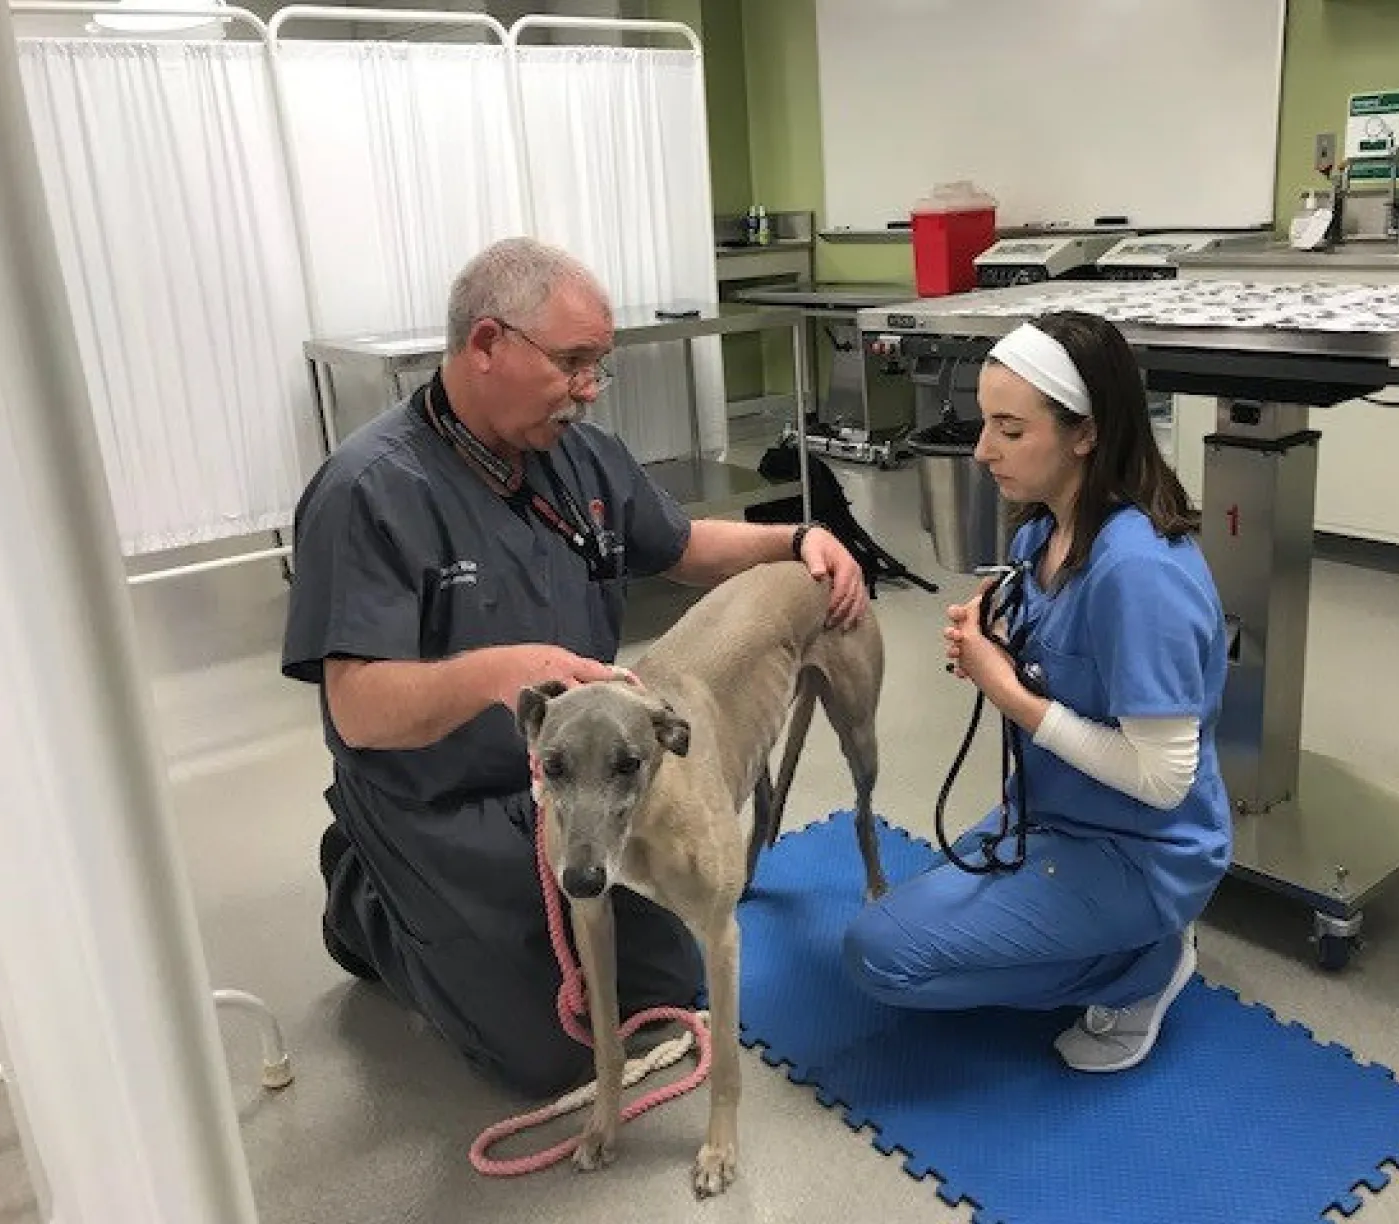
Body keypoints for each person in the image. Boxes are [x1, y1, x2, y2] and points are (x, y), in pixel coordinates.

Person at [282, 237, 867, 1098]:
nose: (589, 389)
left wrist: (796, 538)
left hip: (573, 778)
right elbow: (358, 710)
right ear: (487, 344)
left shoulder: (577, 455)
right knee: (543, 1055)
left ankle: (452, 915)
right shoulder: (368, 490)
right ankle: (364, 896)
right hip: (438, 798)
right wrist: (497, 673)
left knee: (669, 983)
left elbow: (682, 546)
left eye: (600, 367)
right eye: (573, 363)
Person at [842, 310, 1230, 1074]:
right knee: (900, 923)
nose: (982, 451)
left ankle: (1142, 969)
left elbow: (1162, 779)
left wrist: (1009, 692)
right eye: (983, 423)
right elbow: (1053, 645)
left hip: (1141, 849)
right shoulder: (1037, 535)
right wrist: (996, 631)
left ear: (1084, 432)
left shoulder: (1139, 573)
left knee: (878, 958)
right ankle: (1115, 939)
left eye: (1009, 431)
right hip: (1054, 816)